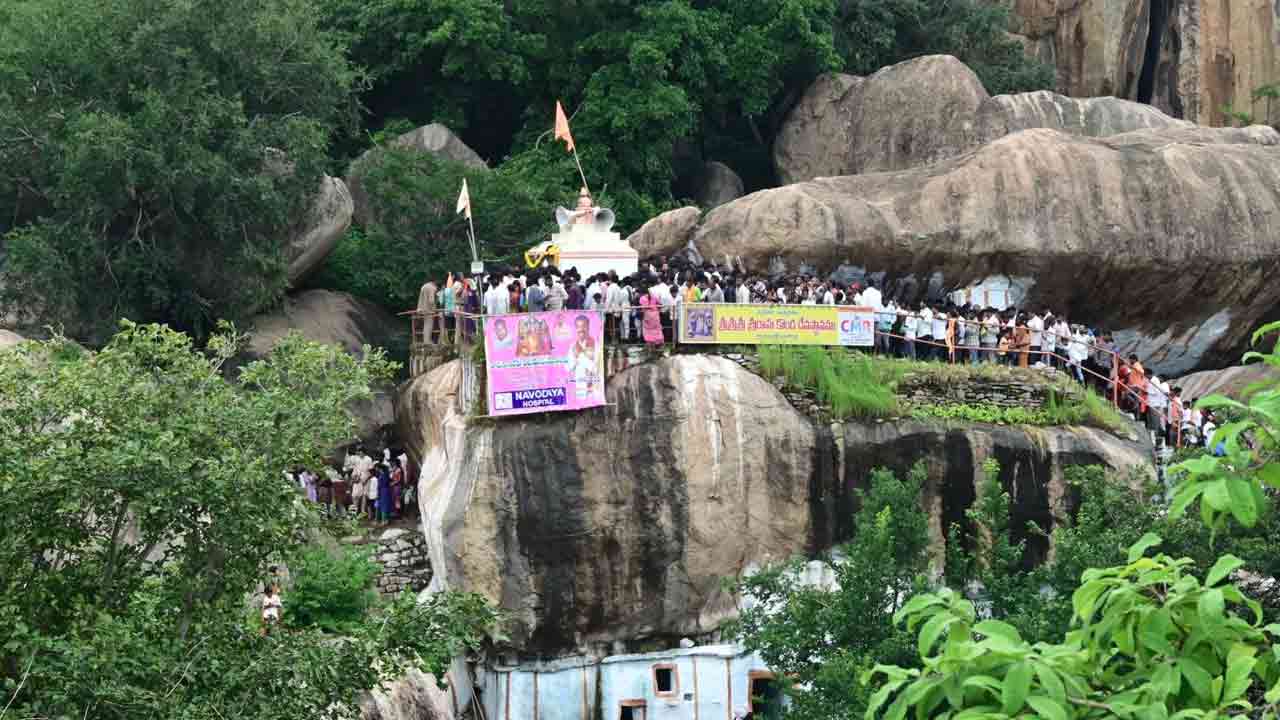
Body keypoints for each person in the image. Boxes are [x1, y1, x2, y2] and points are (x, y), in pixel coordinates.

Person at [417, 278, 438, 344]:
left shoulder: (423, 286)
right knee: (429, 326)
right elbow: (431, 301)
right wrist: (434, 309)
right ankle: (427, 341)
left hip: (422, 309)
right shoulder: (432, 288)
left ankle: (425, 340)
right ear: (434, 283)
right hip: (429, 310)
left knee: (425, 325)